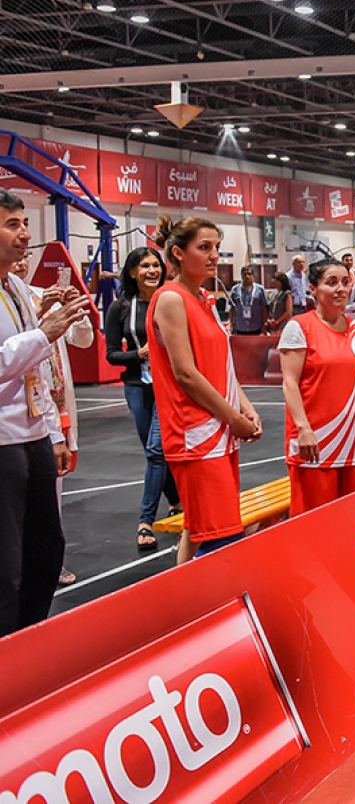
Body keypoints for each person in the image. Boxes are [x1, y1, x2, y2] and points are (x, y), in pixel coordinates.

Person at [0, 191, 90, 637]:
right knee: (7, 564)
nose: (24, 233)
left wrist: (53, 432)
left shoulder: (16, 288)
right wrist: (42, 333)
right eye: (12, 224)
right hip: (2, 440)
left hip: (32, 433)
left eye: (23, 223)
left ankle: (27, 636)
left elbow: (38, 369)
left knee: (47, 550)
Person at [149, 215, 263, 561]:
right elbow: (186, 373)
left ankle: (185, 603)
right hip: (196, 431)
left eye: (216, 247)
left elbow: (221, 365)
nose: (214, 255)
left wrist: (245, 405)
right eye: (204, 247)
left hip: (217, 429)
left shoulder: (203, 299)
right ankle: (213, 606)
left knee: (201, 527)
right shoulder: (171, 299)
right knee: (220, 537)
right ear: (178, 253)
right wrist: (234, 418)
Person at [14, 254, 95, 585]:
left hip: (54, 404)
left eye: (25, 257)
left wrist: (77, 313)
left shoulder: (37, 294)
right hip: (20, 413)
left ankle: (49, 559)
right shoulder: (20, 302)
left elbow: (83, 340)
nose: (21, 262)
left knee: (53, 487)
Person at [279, 258, 355, 513]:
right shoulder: (299, 326)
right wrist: (303, 429)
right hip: (315, 442)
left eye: (345, 282)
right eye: (331, 282)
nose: (341, 289)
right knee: (314, 526)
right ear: (313, 289)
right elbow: (289, 382)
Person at [106, 246, 181, 552]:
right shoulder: (121, 307)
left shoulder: (171, 301)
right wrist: (138, 354)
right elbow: (111, 354)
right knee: (154, 452)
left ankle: (145, 520)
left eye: (156, 265)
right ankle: (176, 502)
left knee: (155, 450)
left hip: (170, 386)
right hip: (138, 386)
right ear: (133, 272)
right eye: (145, 266)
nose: (152, 270)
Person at [229, 266, 268, 335]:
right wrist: (231, 323)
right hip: (240, 326)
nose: (247, 276)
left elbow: (264, 307)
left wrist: (265, 323)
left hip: (256, 326)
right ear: (241, 276)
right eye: (245, 274)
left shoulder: (260, 289)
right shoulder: (235, 289)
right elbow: (232, 308)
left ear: (253, 276)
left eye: (249, 274)